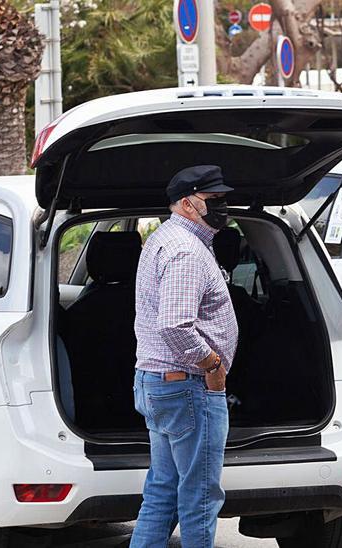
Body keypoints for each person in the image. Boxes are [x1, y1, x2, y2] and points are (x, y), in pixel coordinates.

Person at [131, 165, 238, 547]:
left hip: (161, 384)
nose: (224, 205)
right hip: (186, 386)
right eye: (215, 200)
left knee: (163, 491)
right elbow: (175, 325)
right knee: (200, 498)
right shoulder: (186, 251)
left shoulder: (166, 239)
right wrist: (212, 366)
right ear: (189, 204)